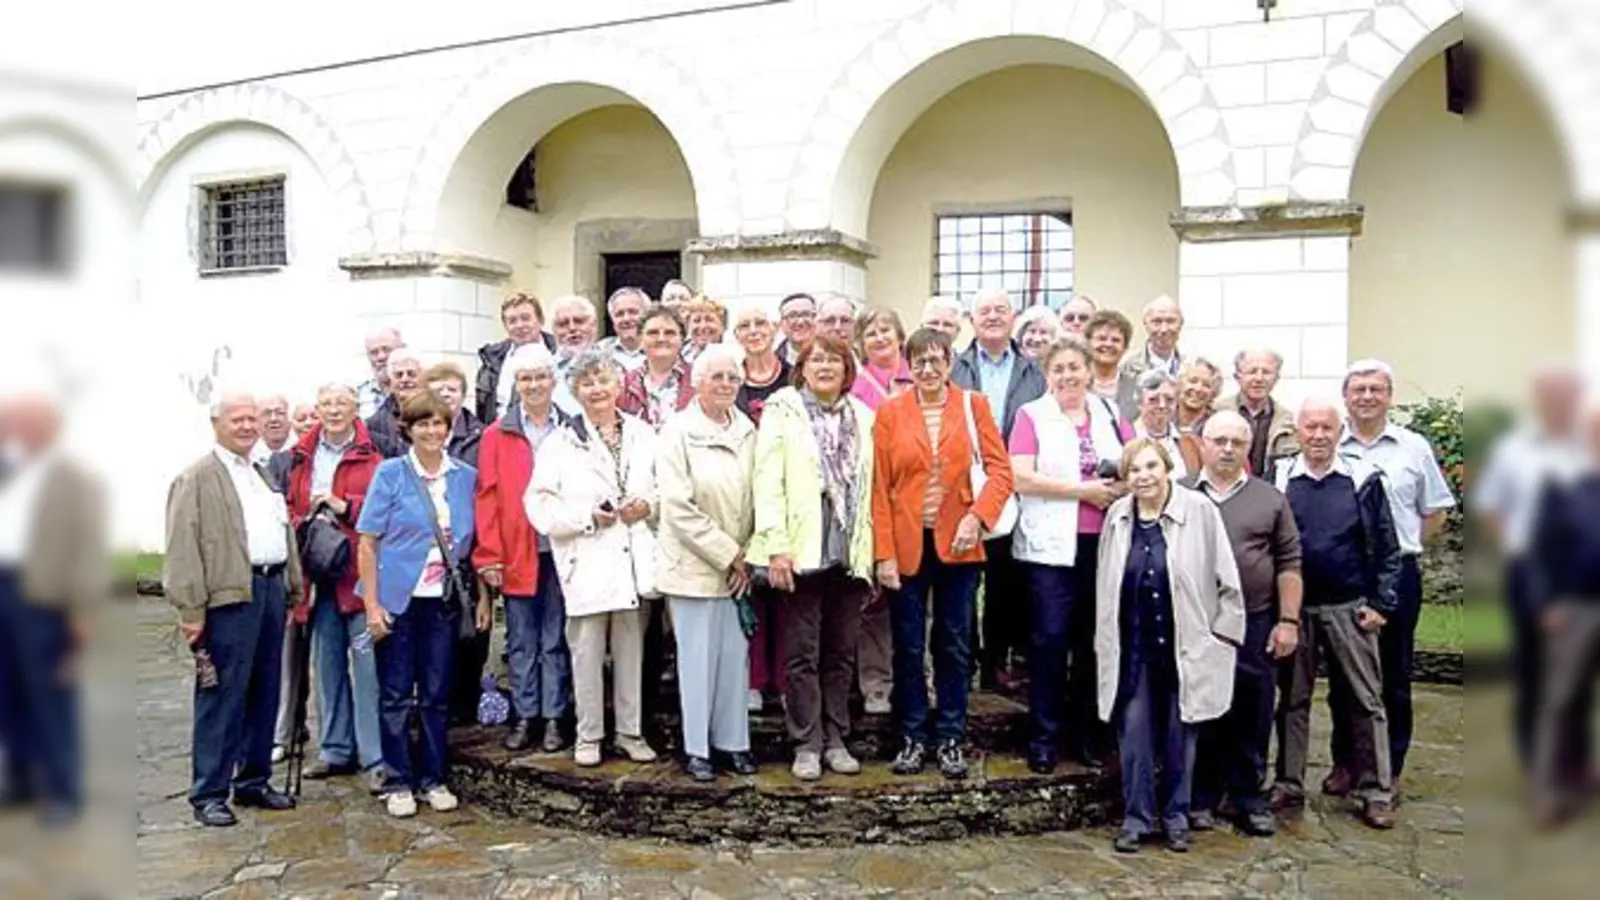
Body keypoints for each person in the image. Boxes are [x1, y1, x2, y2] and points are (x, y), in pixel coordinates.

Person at [872, 328, 1012, 779]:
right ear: (908, 368)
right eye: (919, 363)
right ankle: (912, 736)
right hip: (908, 545)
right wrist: (885, 554)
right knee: (908, 647)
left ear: (950, 362)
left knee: (953, 645)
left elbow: (1001, 472)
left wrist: (979, 518)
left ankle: (951, 737)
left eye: (936, 361)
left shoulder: (974, 406)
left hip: (959, 544)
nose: (928, 370)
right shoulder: (891, 413)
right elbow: (880, 488)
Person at [1096, 439, 1244, 854]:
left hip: (1187, 645)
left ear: (1167, 468)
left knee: (1183, 736)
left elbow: (1227, 579)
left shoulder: (1199, 511)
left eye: (1150, 467)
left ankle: (1177, 817)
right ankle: (1137, 818)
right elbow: (1105, 584)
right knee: (1135, 736)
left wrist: (1223, 637)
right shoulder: (1117, 518)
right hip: (1135, 648)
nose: (1143, 477)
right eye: (1134, 470)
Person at [164, 392, 303, 827]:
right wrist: (191, 608)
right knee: (221, 695)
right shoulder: (198, 478)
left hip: (269, 589)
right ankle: (208, 791)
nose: (246, 426)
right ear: (216, 422)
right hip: (227, 599)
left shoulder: (260, 473)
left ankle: (253, 780)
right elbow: (182, 545)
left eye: (252, 419)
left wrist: (292, 585)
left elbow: (282, 531)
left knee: (265, 690)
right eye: (237, 419)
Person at [748, 335, 876, 781]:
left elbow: (873, 486)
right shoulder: (782, 412)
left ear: (847, 369)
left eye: (834, 359)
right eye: (815, 359)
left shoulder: (863, 416)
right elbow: (768, 483)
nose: (825, 366)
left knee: (840, 653)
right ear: (801, 368)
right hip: (800, 550)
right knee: (801, 654)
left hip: (848, 549)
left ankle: (836, 737)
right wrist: (776, 546)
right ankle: (806, 742)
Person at [526, 348, 661, 767]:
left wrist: (649, 506)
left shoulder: (644, 433)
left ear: (619, 385)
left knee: (631, 649)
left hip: (633, 557)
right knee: (585, 650)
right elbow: (538, 504)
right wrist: (587, 518)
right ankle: (589, 735)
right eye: (587, 383)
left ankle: (629, 731)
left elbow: (665, 484)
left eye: (604, 380)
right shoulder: (560, 441)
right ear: (575, 392)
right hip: (586, 559)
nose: (597, 389)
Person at [1270, 398, 1401, 830]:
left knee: (1366, 700)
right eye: (1311, 428)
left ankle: (1376, 790)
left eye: (1327, 428)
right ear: (1299, 431)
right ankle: (1288, 783)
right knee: (1292, 700)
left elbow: (1387, 546)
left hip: (1350, 607)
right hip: (1295, 609)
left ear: (1339, 430)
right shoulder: (1281, 476)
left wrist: (1381, 603)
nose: (1319, 436)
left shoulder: (1362, 478)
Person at [1331, 359, 1456, 797]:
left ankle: (1391, 764)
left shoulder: (1413, 447)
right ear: (1345, 396)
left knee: (1394, 675)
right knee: (1345, 675)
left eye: (1376, 389)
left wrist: (1403, 549)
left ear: (1390, 395)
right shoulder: (1332, 445)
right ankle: (1345, 762)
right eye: (1358, 388)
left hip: (1398, 572)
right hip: (1346, 573)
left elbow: (1435, 509)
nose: (1366, 396)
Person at [356, 393, 483, 818]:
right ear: (407, 429)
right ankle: (397, 780)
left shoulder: (465, 476)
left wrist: (482, 597)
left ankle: (433, 777)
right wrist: (372, 606)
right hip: (397, 600)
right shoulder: (391, 474)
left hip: (444, 601)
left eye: (439, 424)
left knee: (436, 692)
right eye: (422, 424)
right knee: (394, 693)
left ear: (449, 429)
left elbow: (474, 548)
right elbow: (368, 544)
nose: (431, 432)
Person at [1008, 337, 1132, 771]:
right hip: (1050, 548)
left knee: (1093, 642)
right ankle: (1043, 738)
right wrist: (1083, 491)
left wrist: (1117, 487)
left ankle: (1087, 734)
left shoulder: (1110, 413)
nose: (1067, 376)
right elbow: (1020, 477)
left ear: (1088, 371)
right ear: (1047, 374)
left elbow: (1134, 464)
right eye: (1058, 369)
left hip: (1104, 542)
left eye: (1074, 368)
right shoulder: (1032, 415)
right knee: (1050, 640)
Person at [1185, 411, 1303, 837]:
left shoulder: (1270, 499)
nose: (1228, 449)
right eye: (1219, 440)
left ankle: (1248, 797)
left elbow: (1289, 562)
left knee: (1252, 711)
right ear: (1202, 444)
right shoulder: (1180, 494)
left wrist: (1287, 621)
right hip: (1194, 624)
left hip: (1254, 621)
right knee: (1201, 710)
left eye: (1237, 441)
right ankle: (1200, 796)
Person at [0, 392, 107, 827]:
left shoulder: (74, 479)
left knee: (51, 697)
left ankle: (64, 790)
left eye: (28, 422)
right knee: (8, 694)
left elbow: (87, 549)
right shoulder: (8, 470)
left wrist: (82, 611)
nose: (18, 431)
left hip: (44, 597)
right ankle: (21, 778)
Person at [1475, 366, 1588, 772]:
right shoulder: (1514, 450)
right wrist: (1516, 549)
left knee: (1580, 676)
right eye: (1550, 395)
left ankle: (1574, 762)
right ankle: (1533, 761)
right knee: (1532, 669)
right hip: (1529, 571)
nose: (1559, 402)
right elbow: (1490, 507)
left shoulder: (1590, 445)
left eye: (1567, 394)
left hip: (1585, 577)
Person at [656, 345, 761, 781]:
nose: (725, 385)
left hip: (740, 566)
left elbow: (763, 494)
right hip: (695, 566)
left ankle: (733, 742)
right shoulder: (677, 431)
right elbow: (678, 508)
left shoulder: (749, 430)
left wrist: (751, 552)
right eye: (716, 377)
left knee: (734, 660)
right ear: (696, 382)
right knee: (697, 660)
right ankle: (697, 748)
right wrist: (729, 554)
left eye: (732, 378)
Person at [279, 384, 386, 793]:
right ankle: (334, 748)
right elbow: (286, 505)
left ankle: (373, 754)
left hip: (358, 572)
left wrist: (347, 506)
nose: (333, 410)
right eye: (326, 404)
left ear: (355, 409)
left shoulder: (371, 454)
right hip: (317, 571)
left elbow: (382, 509)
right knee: (325, 663)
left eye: (342, 403)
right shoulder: (299, 456)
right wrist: (304, 516)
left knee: (366, 665)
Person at [474, 343, 572, 754]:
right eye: (525, 378)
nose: (534, 385)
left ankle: (553, 717)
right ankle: (524, 714)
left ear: (554, 380)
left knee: (555, 638)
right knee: (520, 639)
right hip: (515, 551)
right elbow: (487, 497)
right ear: (515, 384)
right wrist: (489, 555)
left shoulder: (570, 428)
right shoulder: (498, 434)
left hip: (561, 550)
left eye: (541, 377)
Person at [951, 287, 1046, 692]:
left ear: (1013, 319)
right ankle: (964, 660)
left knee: (1007, 582)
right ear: (972, 321)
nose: (992, 317)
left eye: (1000, 311)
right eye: (984, 311)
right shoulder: (956, 367)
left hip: (1015, 491)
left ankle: (995, 663)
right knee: (963, 580)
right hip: (962, 492)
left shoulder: (1034, 372)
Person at [1527, 397, 1600, 826]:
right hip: (1574, 607)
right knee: (1560, 700)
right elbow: (1540, 551)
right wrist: (1545, 601)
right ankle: (1549, 790)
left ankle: (1579, 771)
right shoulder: (1563, 487)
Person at [848, 305, 911, 714]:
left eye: (886, 330)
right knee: (873, 602)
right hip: (870, 501)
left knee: (917, 603)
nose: (880, 338)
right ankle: (876, 685)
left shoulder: (919, 374)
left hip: (914, 505)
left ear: (900, 336)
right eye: (871, 333)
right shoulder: (854, 386)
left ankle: (916, 678)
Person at [731, 301, 792, 711]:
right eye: (744, 325)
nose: (754, 330)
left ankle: (787, 680)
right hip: (740, 494)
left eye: (760, 323)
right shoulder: (729, 378)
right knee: (748, 587)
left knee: (787, 589)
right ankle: (753, 678)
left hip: (787, 493)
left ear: (775, 329)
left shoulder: (792, 378)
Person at [477, 293, 558, 425]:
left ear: (540, 320)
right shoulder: (491, 360)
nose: (520, 325)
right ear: (505, 325)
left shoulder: (557, 355)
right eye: (512, 321)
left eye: (525, 318)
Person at [618, 306, 695, 431]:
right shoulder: (624, 384)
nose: (661, 338)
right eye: (653, 333)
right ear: (640, 339)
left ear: (682, 339)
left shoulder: (698, 380)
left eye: (669, 333)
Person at [1132, 370, 1201, 478]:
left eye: (1169, 400)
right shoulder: (1124, 438)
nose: (1162, 405)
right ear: (1139, 403)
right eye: (1153, 400)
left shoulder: (1190, 443)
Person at [1084, 310, 1140, 421]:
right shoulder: (1076, 384)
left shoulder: (1137, 388)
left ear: (1125, 348)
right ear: (1088, 343)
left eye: (1116, 340)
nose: (1108, 344)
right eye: (1102, 338)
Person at [682, 296, 728, 365]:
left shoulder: (732, 358)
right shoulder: (677, 359)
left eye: (709, 320)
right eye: (697, 320)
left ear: (722, 326)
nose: (703, 326)